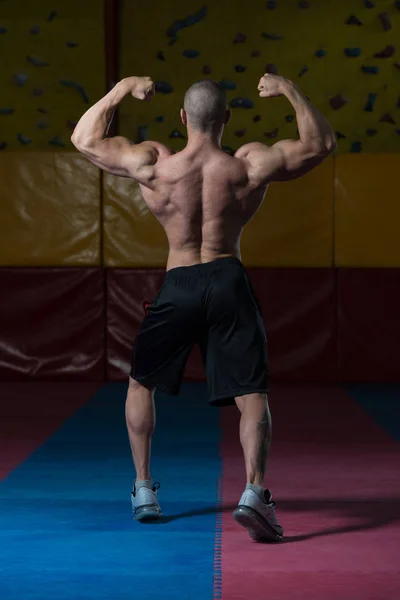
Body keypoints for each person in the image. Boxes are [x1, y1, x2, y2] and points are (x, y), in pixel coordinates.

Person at [72, 74, 336, 542]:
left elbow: (83, 138)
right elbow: (320, 144)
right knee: (251, 392)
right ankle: (254, 492)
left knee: (140, 382)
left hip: (179, 281)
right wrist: (292, 90)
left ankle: (143, 489)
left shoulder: (154, 163)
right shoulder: (247, 164)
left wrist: (120, 89)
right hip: (227, 274)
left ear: (182, 118)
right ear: (226, 118)